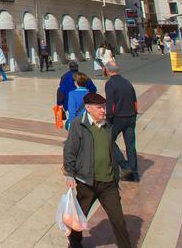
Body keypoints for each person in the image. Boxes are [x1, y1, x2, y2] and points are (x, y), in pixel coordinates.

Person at [63, 92, 132, 248]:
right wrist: (69, 174)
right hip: (87, 182)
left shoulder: (107, 126)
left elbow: (112, 148)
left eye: (104, 107)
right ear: (88, 108)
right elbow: (69, 151)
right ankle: (74, 243)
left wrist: (123, 165)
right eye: (99, 107)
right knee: (79, 217)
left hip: (109, 183)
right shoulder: (77, 125)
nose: (103, 111)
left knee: (118, 219)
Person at [103, 62, 138, 182]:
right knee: (131, 145)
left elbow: (110, 103)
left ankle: (125, 166)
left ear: (107, 70)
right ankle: (134, 173)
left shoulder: (110, 84)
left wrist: (108, 118)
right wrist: (135, 113)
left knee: (108, 140)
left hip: (118, 118)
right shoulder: (127, 82)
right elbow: (134, 100)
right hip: (131, 116)